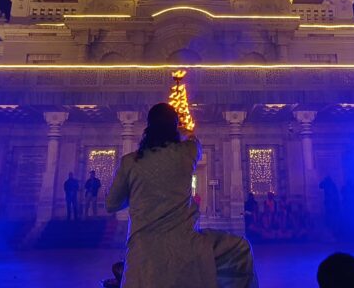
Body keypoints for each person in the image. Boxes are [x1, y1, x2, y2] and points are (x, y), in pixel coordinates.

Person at [106, 102, 258, 287]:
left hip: (142, 250)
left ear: (148, 127)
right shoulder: (187, 152)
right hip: (186, 245)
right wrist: (181, 128)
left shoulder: (129, 162)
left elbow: (111, 204)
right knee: (241, 248)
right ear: (174, 126)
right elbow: (192, 138)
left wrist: (138, 194)